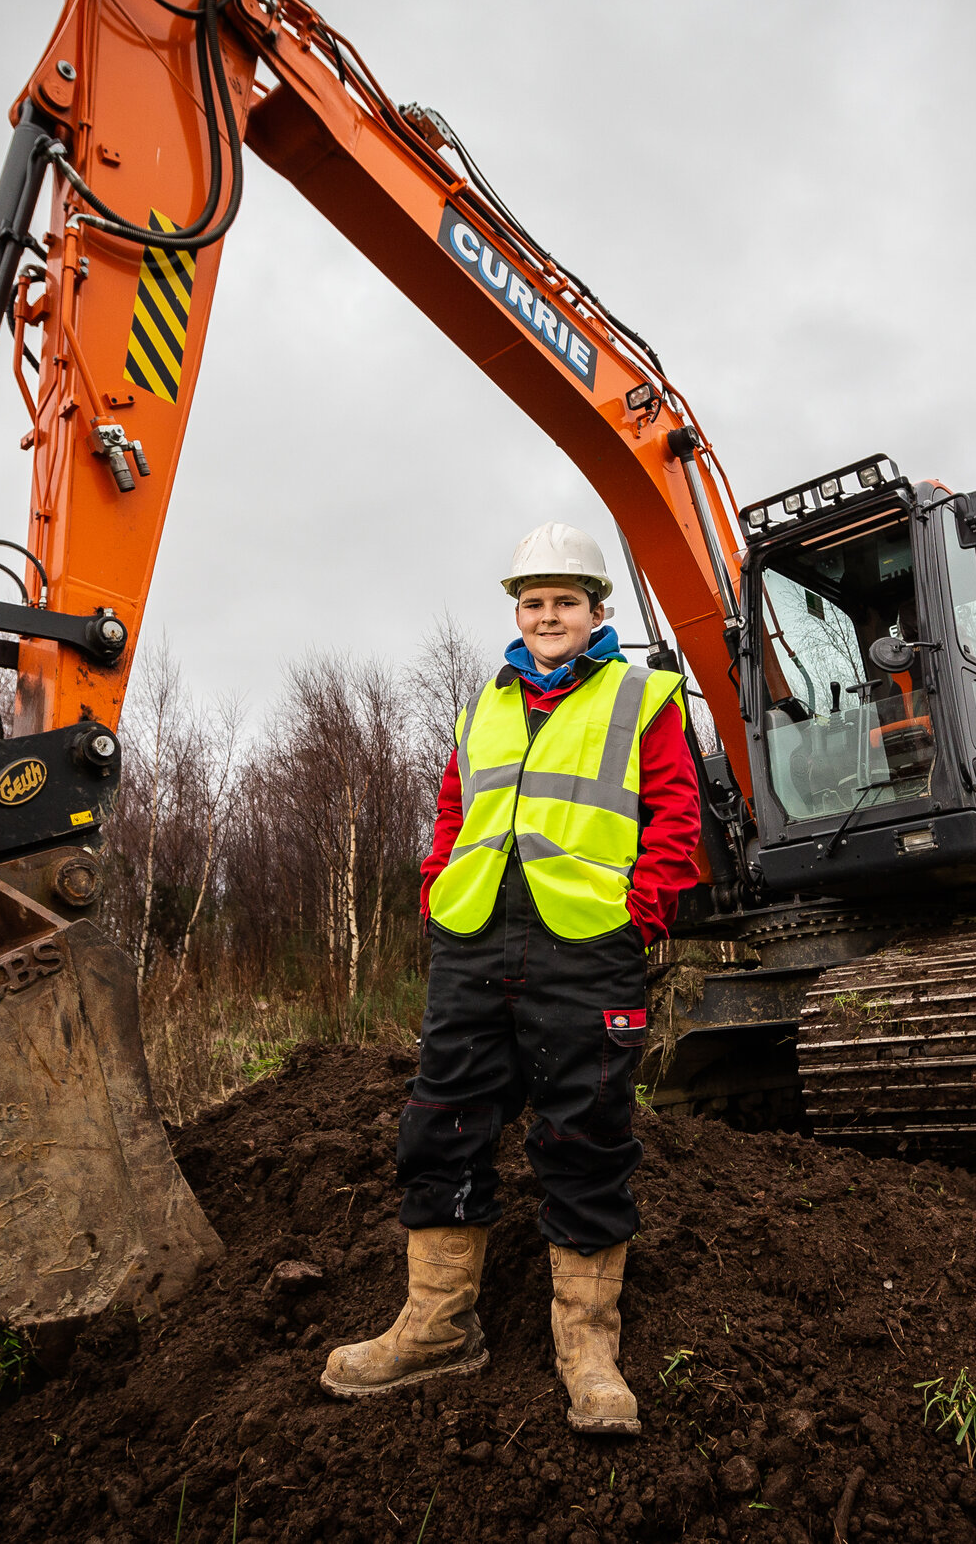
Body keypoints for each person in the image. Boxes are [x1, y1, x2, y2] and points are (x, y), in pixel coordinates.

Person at [318, 522, 701, 1435]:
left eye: (565, 601)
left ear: (597, 610)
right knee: (441, 1116)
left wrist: (636, 915)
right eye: (533, 602)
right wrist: (436, 891)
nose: (547, 616)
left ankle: (589, 1349)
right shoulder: (483, 705)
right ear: (517, 611)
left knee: (587, 1131)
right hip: (476, 938)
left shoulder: (644, 696)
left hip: (586, 942)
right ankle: (438, 1326)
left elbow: (676, 818)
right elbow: (456, 809)